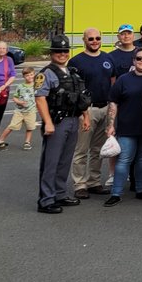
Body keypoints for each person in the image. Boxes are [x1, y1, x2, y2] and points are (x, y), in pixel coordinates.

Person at [35, 36, 91, 214]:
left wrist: (85, 116)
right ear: (51, 53)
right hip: (57, 122)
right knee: (51, 162)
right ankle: (46, 200)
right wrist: (48, 122)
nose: (62, 54)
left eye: (65, 51)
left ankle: (59, 194)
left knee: (65, 160)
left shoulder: (72, 72)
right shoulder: (46, 73)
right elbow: (40, 98)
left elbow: (80, 97)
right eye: (58, 51)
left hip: (73, 119)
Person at [104, 46, 142, 206]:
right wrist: (110, 124)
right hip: (127, 127)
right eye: (139, 58)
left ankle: (140, 190)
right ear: (133, 60)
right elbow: (113, 102)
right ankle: (116, 193)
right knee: (124, 160)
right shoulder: (123, 79)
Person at [69, 28, 116, 198]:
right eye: (90, 39)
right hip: (87, 110)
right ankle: (80, 184)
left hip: (105, 108)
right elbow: (73, 89)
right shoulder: (76, 61)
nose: (94, 41)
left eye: (97, 38)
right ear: (84, 40)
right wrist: (83, 113)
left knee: (98, 149)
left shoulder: (108, 58)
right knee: (81, 150)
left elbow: (113, 82)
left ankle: (94, 182)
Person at [0, 66, 36, 149]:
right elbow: (15, 97)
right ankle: (1, 139)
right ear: (24, 77)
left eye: (31, 75)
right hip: (19, 111)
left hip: (31, 111)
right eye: (27, 75)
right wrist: (19, 102)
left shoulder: (36, 86)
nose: (30, 77)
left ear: (34, 74)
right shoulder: (20, 86)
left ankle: (27, 142)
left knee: (30, 127)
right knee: (12, 125)